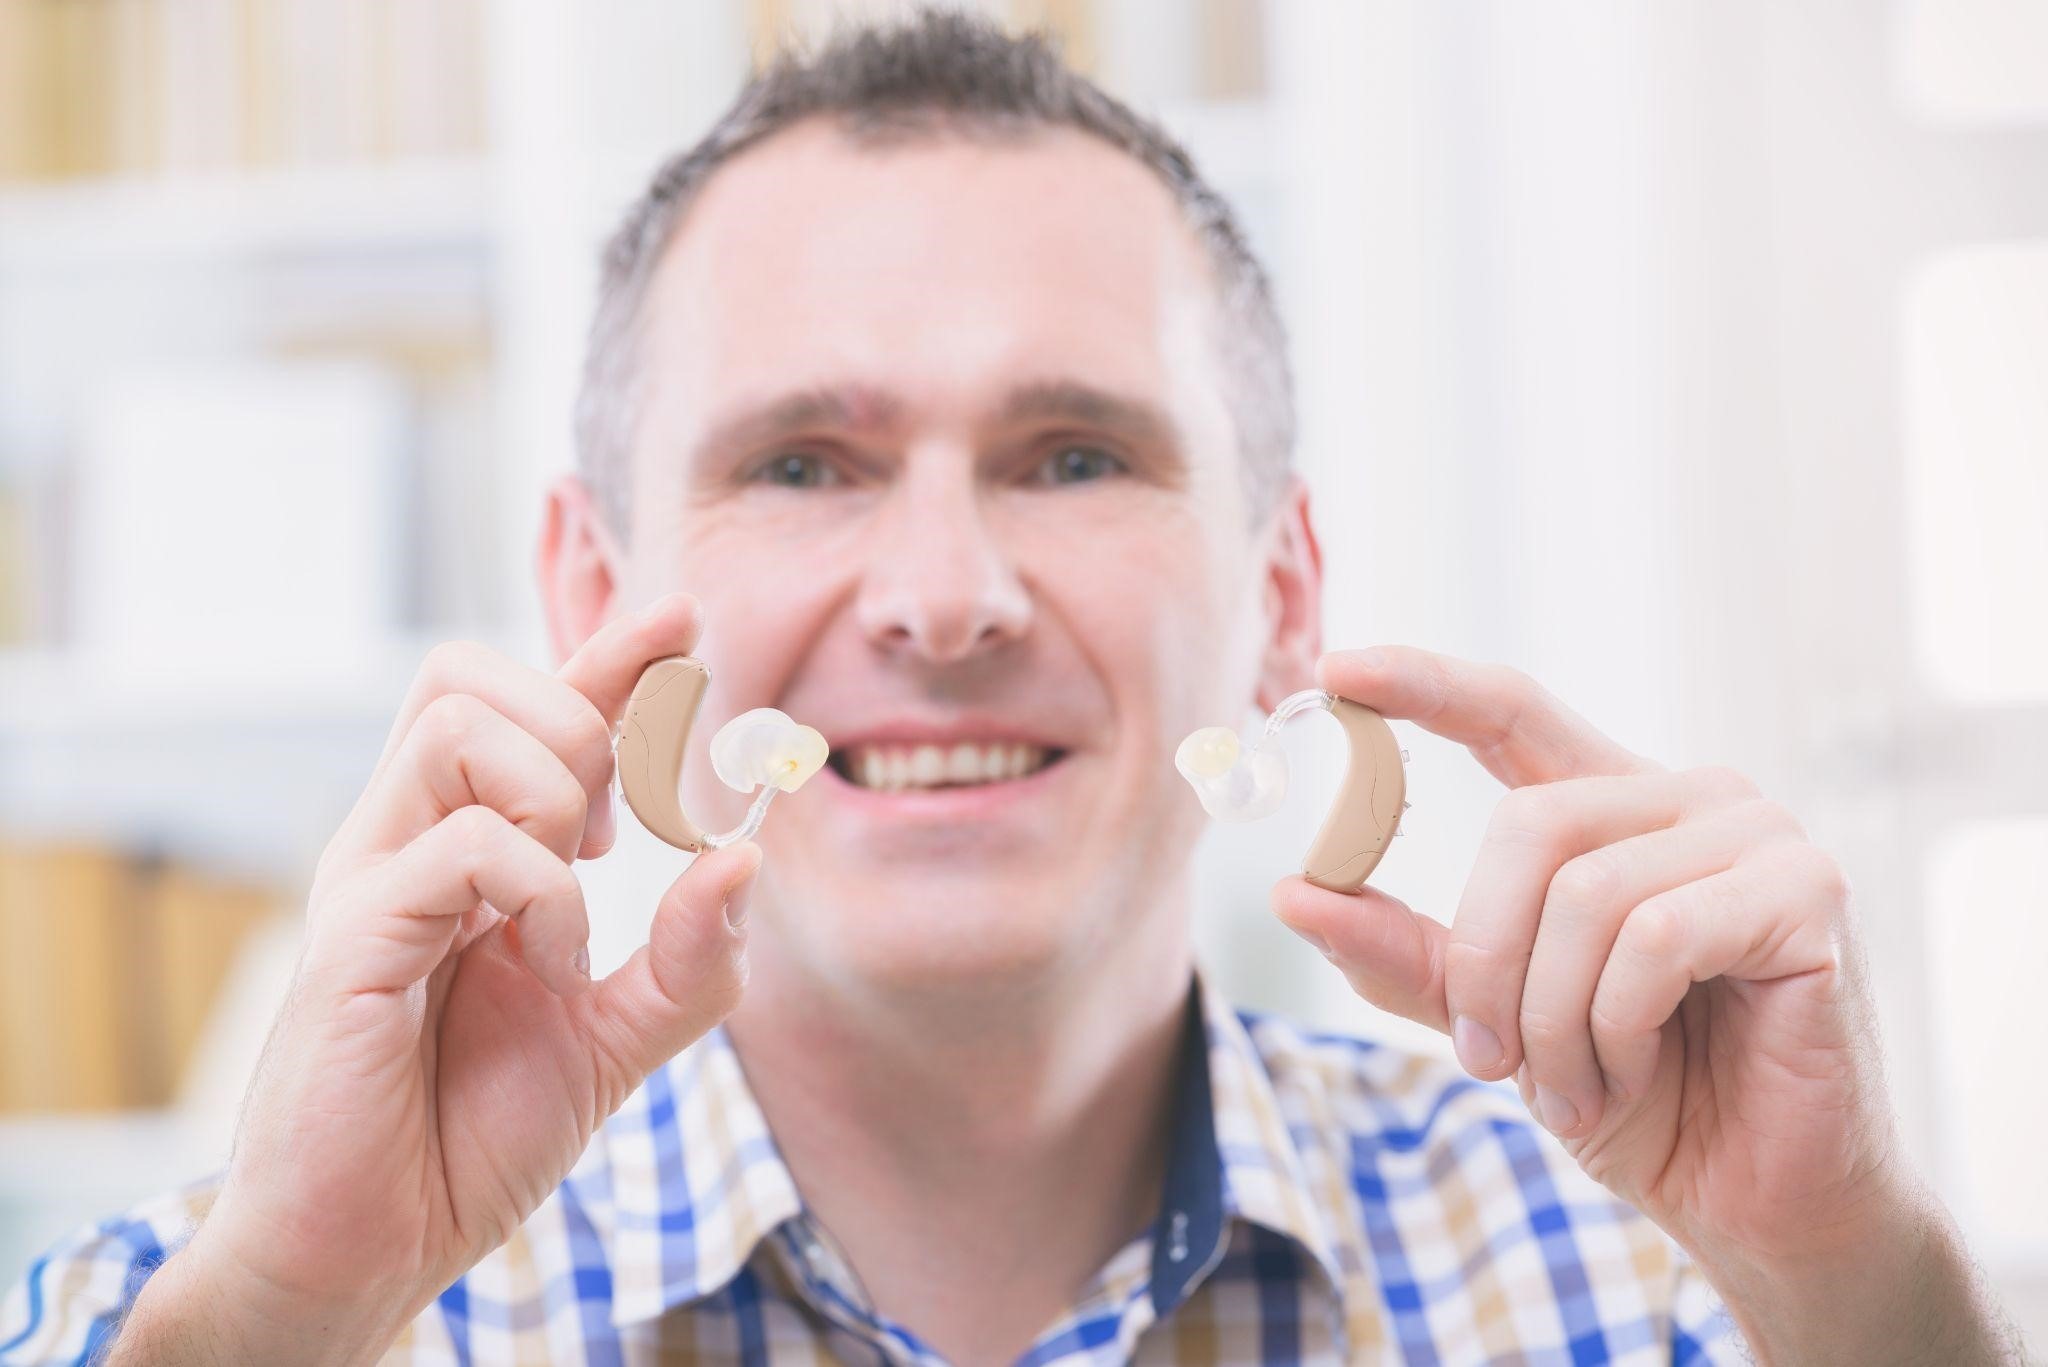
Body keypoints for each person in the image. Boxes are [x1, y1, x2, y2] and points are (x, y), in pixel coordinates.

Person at [0, 11, 2027, 1365]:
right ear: (592, 593)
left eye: (1073, 456)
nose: (947, 598)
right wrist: (286, 1314)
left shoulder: (1656, 1288)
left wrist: (1853, 1286)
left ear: (1281, 599)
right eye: (804, 464)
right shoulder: (226, 1305)